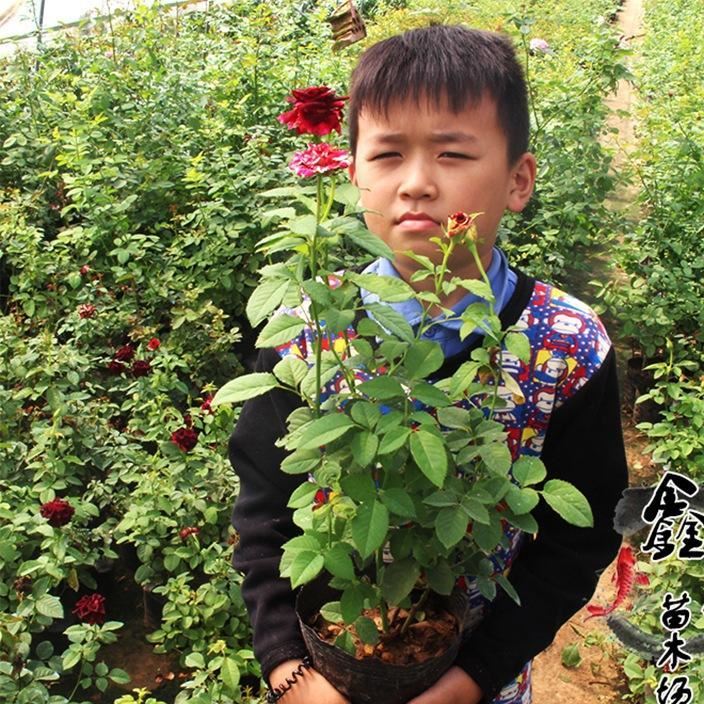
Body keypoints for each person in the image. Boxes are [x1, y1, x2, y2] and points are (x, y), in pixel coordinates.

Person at [229, 24, 629, 704]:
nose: (415, 183)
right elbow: (265, 516)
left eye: (451, 153)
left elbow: (577, 540)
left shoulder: (567, 344)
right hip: (327, 668)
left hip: (479, 679)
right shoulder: (310, 333)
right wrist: (289, 672)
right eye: (386, 154)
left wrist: (473, 677)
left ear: (518, 179)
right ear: (351, 175)